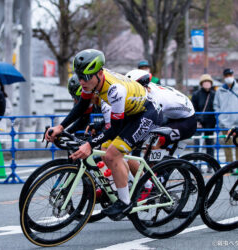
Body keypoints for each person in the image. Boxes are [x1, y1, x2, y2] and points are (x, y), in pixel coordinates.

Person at [45, 49, 163, 217]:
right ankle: (125, 187)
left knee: (112, 154)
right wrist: (60, 127)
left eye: (85, 78)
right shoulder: (92, 81)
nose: (82, 82)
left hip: (147, 113)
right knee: (110, 151)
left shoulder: (114, 90)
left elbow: (113, 128)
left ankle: (125, 202)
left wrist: (90, 144)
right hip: (132, 112)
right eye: (79, 77)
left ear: (99, 73)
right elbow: (81, 107)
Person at [192, 74, 216, 173]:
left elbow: (216, 107)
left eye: (208, 82)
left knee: (210, 145)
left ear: (211, 83)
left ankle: (210, 165)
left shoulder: (214, 94)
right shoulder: (196, 94)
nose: (207, 84)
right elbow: (193, 108)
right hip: (199, 123)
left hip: (210, 123)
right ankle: (197, 165)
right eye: (205, 82)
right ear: (201, 84)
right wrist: (197, 120)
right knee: (197, 145)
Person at [214, 68, 238, 163]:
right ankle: (229, 165)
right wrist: (220, 117)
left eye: (230, 75)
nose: (229, 77)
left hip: (237, 123)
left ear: (233, 76)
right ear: (224, 77)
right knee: (227, 145)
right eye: (227, 76)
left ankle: (237, 166)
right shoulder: (220, 90)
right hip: (225, 123)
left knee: (237, 145)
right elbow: (216, 105)